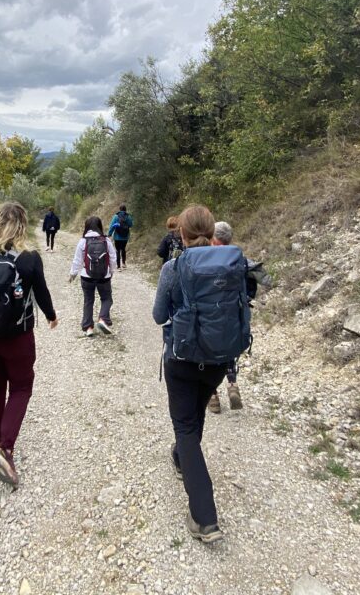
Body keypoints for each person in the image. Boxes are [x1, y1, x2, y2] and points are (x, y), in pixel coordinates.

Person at [153, 205, 251, 544]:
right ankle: (181, 455)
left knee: (184, 425)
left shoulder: (172, 268)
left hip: (181, 359)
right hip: (218, 360)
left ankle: (204, 517)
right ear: (212, 233)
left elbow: (157, 316)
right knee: (193, 420)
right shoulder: (232, 264)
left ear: (180, 233)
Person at [0, 201, 58, 487]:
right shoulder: (29, 258)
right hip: (18, 337)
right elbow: (41, 293)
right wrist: (52, 316)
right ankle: (5, 448)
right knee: (21, 387)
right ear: (22, 226)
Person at [207, 221, 250, 414]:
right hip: (232, 314)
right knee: (229, 350)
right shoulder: (238, 259)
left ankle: (213, 395)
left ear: (214, 239)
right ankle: (232, 385)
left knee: (209, 353)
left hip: (211, 313)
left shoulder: (207, 259)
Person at [68, 216, 118, 336]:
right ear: (100, 226)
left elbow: (77, 260)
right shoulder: (106, 241)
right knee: (107, 299)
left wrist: (73, 274)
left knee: (88, 300)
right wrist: (111, 271)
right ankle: (103, 319)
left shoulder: (83, 241)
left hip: (86, 276)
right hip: (103, 276)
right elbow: (113, 258)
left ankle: (88, 327)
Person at [107, 204, 134, 269]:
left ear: (120, 209)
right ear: (125, 210)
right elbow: (131, 225)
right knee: (123, 249)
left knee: (117, 250)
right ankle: (124, 264)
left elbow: (112, 226)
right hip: (125, 236)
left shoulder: (116, 216)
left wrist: (109, 234)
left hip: (117, 237)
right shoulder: (128, 216)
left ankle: (118, 266)